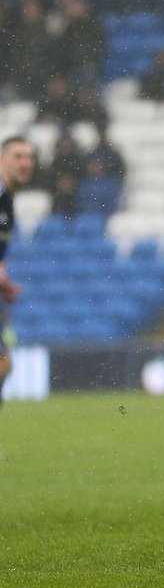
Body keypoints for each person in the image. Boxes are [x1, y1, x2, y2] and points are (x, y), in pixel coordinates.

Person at [0, 136, 37, 409]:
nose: (25, 163)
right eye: (18, 156)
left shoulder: (8, 202)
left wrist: (5, 285)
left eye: (29, 157)